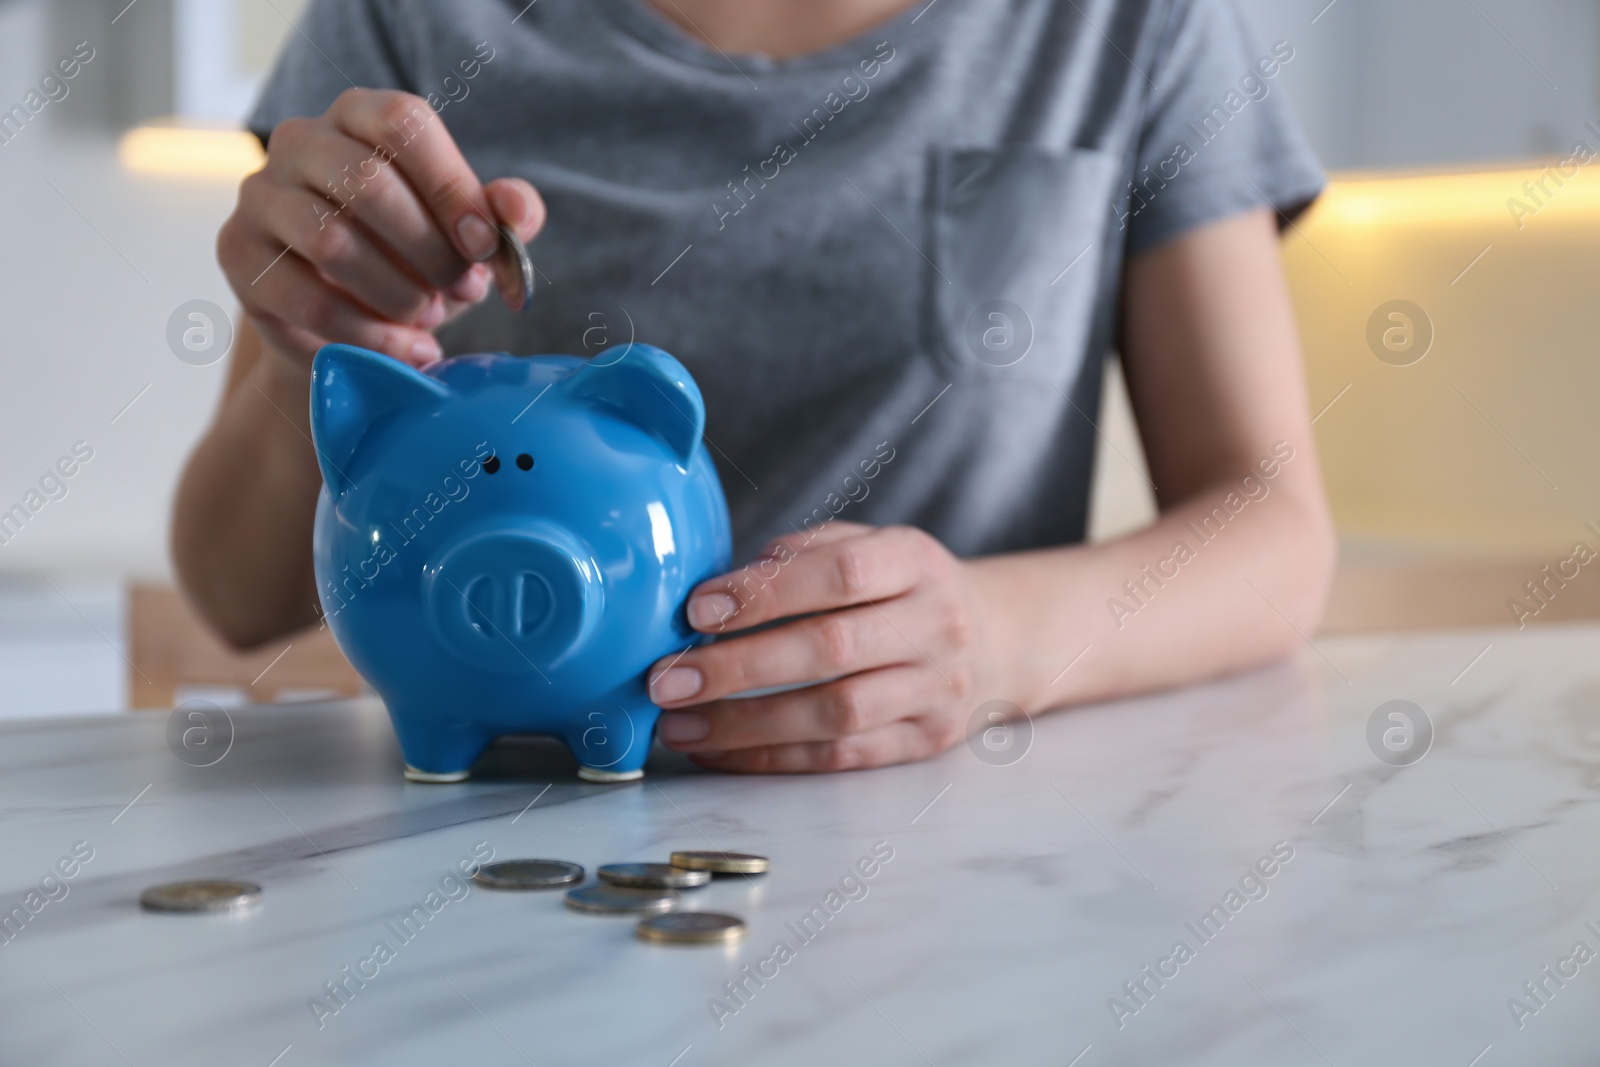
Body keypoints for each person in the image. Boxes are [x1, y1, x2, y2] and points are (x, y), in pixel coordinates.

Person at [172, 0, 1335, 773]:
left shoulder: (1129, 24)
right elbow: (236, 591)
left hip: (938, 837)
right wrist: (308, 348)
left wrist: (992, 640)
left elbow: (1272, 532)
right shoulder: (410, 15)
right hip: (480, 842)